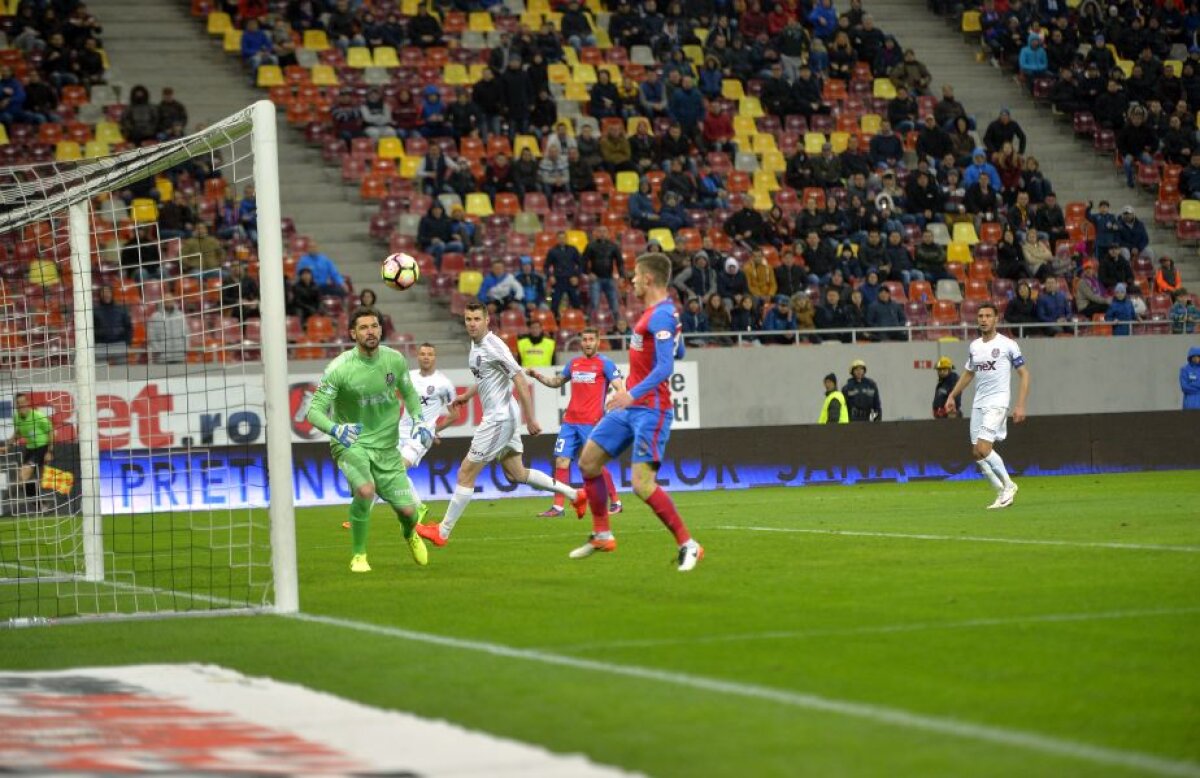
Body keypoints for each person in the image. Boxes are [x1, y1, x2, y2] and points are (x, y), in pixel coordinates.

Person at [569, 252, 703, 570]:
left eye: (635, 276)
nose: (631, 281)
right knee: (588, 462)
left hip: (650, 410)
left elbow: (667, 366)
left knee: (642, 484)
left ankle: (689, 544)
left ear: (649, 279)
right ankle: (602, 533)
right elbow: (679, 349)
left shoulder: (660, 316)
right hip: (630, 409)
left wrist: (630, 393)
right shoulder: (659, 314)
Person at [415, 303, 586, 547]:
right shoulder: (476, 347)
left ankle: (442, 531)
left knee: (466, 471)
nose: (472, 323)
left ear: (487, 320)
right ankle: (575, 495)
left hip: (499, 418)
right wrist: (467, 396)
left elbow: (518, 378)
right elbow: (486, 378)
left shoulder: (494, 346)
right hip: (504, 414)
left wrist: (531, 418)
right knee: (516, 473)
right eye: (468, 319)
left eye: (476, 319)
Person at [306, 307, 431, 573]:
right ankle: (359, 556)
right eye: (363, 327)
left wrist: (419, 419)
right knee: (365, 490)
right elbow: (313, 412)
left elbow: (408, 393)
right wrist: (335, 430)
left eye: (374, 326)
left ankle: (409, 534)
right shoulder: (339, 368)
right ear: (353, 334)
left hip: (387, 446)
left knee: (409, 513)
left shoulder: (394, 360)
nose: (370, 331)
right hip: (351, 443)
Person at [527, 328, 625, 517]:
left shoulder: (605, 363)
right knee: (561, 461)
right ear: (581, 342)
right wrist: (537, 375)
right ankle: (558, 507)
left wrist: (619, 398)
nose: (587, 343)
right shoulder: (574, 364)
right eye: (584, 339)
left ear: (598, 341)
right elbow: (556, 382)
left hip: (592, 422)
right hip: (570, 421)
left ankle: (616, 502)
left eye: (591, 339)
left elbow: (619, 386)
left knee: (594, 463)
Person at [944, 302, 1030, 510]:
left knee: (984, 448)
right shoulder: (975, 346)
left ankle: (1009, 486)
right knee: (977, 453)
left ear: (996, 319)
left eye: (988, 316)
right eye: (980, 316)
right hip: (979, 403)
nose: (983, 319)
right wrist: (952, 396)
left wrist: (1020, 405)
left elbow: (1024, 374)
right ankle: (1000, 492)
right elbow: (969, 373)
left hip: (998, 402)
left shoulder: (1008, 344)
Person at [1, 393, 52, 497]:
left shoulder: (37, 416)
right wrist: (8, 446)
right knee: (21, 481)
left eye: (23, 402)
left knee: (24, 476)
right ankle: (40, 504)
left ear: (28, 403)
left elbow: (51, 431)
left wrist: (49, 451)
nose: (21, 405)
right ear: (16, 405)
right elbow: (18, 433)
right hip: (30, 449)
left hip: (42, 448)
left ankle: (41, 501)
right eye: (19, 403)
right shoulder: (16, 417)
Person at [94, 284, 132, 365]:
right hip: (101, 345)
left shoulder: (121, 309)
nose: (106, 294)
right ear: (100, 295)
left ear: (112, 294)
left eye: (108, 292)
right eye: (103, 292)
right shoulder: (94, 311)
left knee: (123, 373)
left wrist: (127, 342)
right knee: (101, 373)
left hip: (119, 344)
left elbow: (128, 327)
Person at [146, 296, 188, 364]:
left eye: (170, 301)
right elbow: (151, 336)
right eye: (167, 301)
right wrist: (158, 350)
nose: (169, 303)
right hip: (162, 357)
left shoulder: (181, 315)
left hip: (179, 356)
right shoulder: (155, 317)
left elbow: (186, 334)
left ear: (173, 302)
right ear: (163, 302)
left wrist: (185, 349)